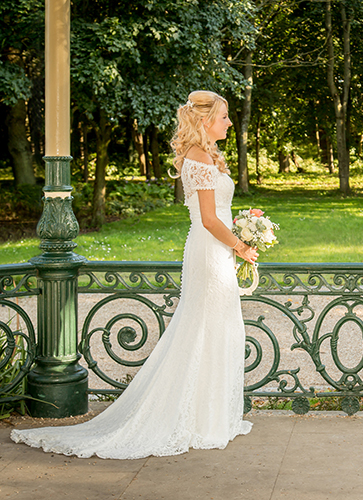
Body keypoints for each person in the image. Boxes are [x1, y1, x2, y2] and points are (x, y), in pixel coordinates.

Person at [11, 90, 258, 458]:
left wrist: (240, 231)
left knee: (215, 327)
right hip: (211, 250)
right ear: (206, 121)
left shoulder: (204, 154)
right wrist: (241, 245)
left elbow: (215, 214)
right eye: (223, 117)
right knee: (207, 327)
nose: (227, 122)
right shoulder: (200, 156)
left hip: (213, 248)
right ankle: (197, 419)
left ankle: (211, 416)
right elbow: (208, 219)